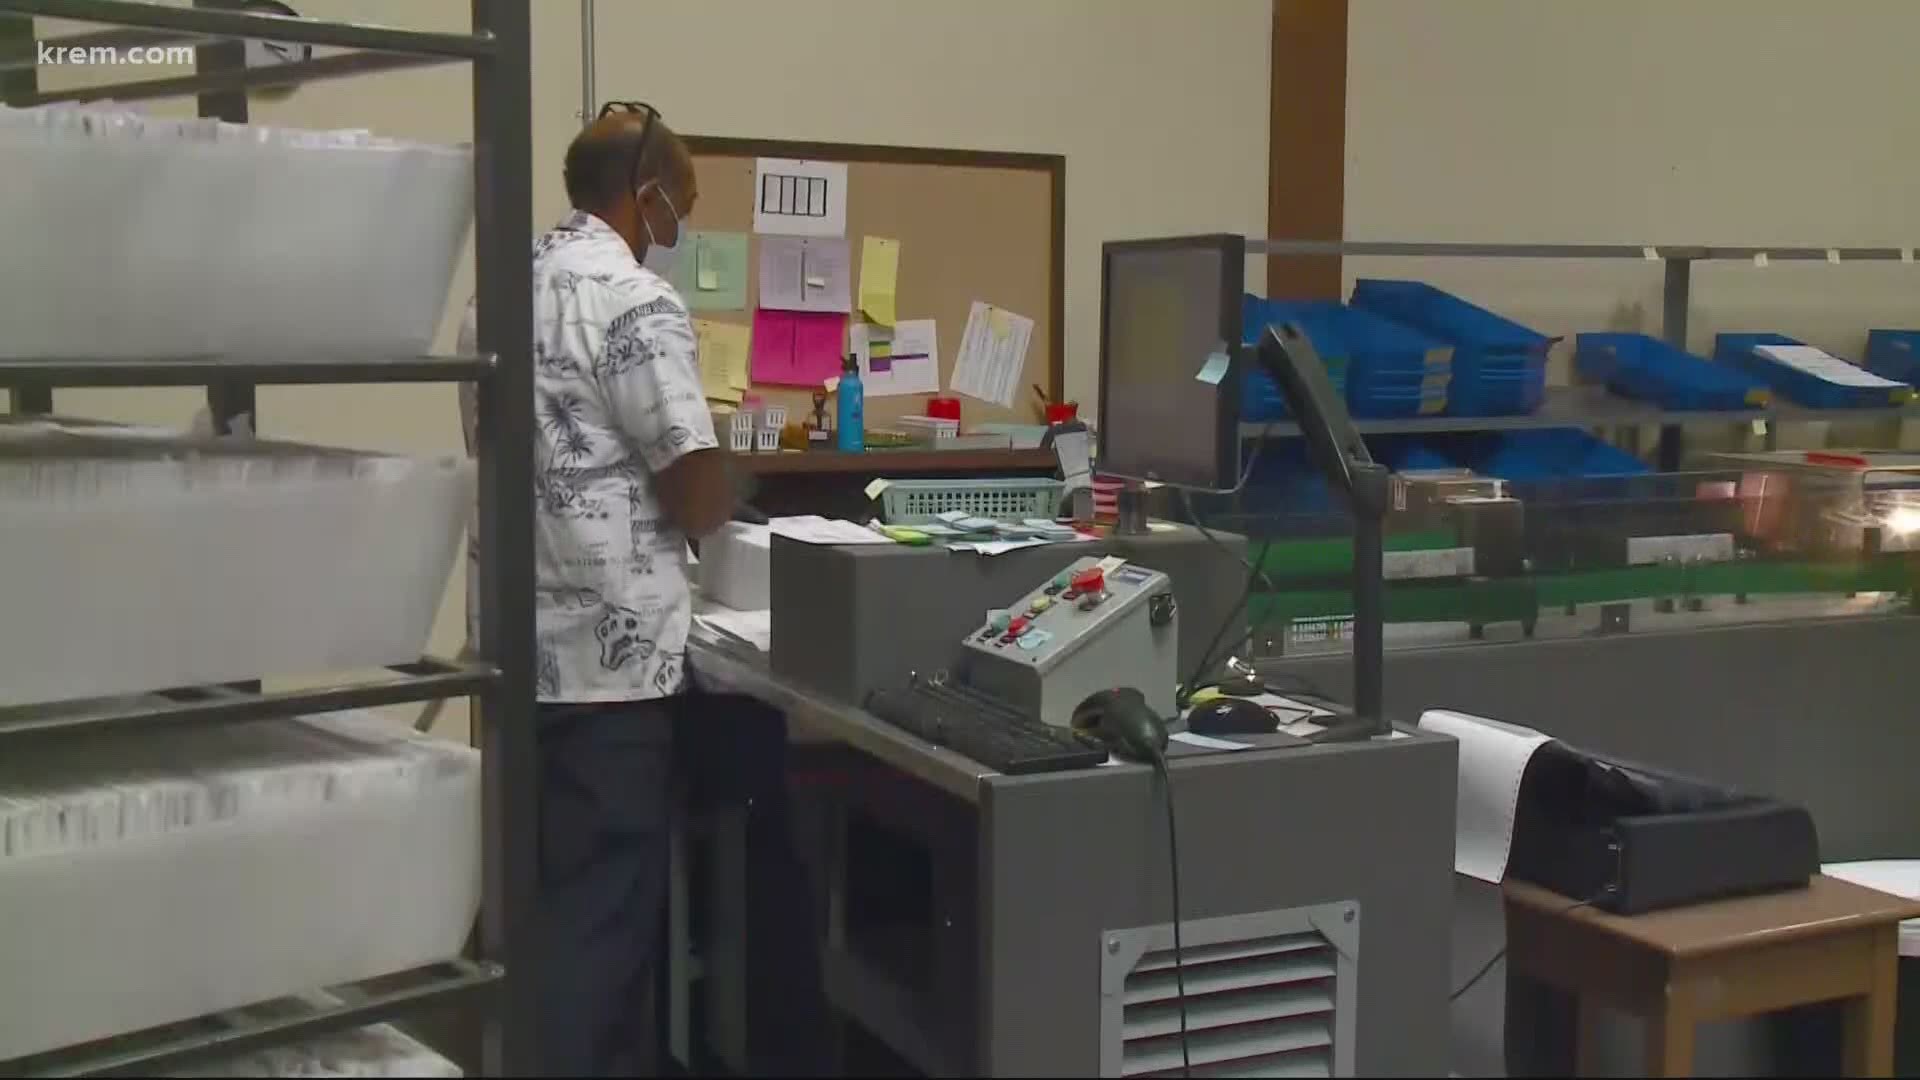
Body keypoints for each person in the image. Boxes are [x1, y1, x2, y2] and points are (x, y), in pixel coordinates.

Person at [459, 102, 734, 1075]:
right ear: (645, 192)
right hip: (609, 679)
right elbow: (695, 491)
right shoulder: (634, 301)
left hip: (511, 661)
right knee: (601, 939)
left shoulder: (501, 286)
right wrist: (730, 458)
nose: (681, 225)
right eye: (682, 203)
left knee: (534, 919)